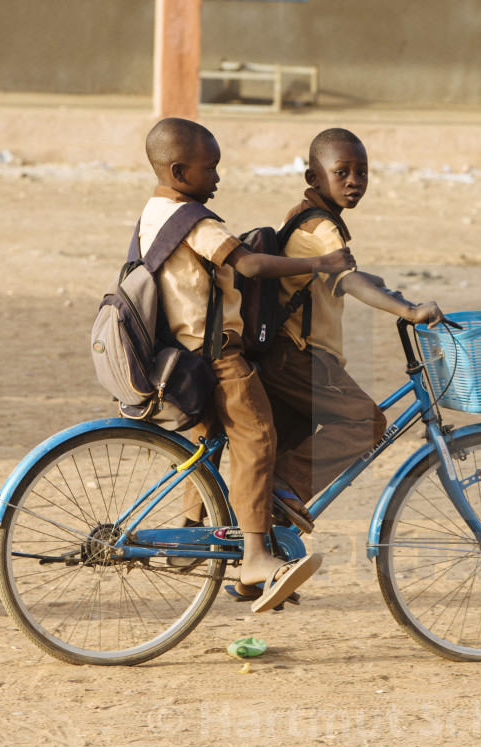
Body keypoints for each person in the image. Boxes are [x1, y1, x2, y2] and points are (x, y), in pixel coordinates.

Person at [140, 118, 355, 611]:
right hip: (219, 357)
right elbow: (251, 265)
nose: (217, 179)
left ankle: (196, 534)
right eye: (209, 169)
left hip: (183, 355)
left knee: (208, 444)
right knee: (258, 438)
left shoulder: (153, 213)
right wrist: (323, 265)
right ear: (178, 170)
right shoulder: (193, 220)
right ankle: (256, 555)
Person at [258, 127, 447, 525]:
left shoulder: (303, 216)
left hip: (281, 355)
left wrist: (386, 289)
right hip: (300, 356)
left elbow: (344, 272)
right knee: (366, 422)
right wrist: (409, 312)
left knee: (292, 450)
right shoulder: (322, 227)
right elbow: (348, 280)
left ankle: (256, 578)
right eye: (341, 172)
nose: (354, 181)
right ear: (314, 178)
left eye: (362, 172)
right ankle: (282, 486)